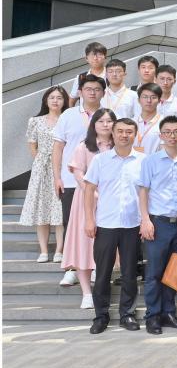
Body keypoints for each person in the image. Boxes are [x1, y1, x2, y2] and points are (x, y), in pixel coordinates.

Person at [83, 117, 145, 334]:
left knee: (129, 273)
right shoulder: (100, 160)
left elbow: (146, 192)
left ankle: (127, 314)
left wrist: (146, 220)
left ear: (135, 134)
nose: (124, 135)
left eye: (129, 131)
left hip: (132, 224)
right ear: (113, 133)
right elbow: (89, 190)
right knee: (103, 273)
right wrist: (89, 219)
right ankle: (101, 316)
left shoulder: (143, 161)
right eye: (120, 131)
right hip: (105, 224)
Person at [137, 116, 177, 335]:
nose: (172, 136)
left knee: (173, 271)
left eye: (176, 131)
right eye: (167, 132)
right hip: (158, 223)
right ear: (161, 135)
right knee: (154, 272)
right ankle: (152, 315)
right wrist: (145, 220)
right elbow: (143, 191)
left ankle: (169, 312)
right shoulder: (150, 161)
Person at [59, 109, 115, 300]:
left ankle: (101, 286)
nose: (105, 124)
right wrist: (93, 192)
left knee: (106, 246)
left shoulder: (118, 146)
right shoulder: (84, 146)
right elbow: (78, 173)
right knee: (83, 245)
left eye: (109, 121)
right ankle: (86, 293)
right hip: (86, 200)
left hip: (112, 202)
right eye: (101, 121)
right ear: (94, 124)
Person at [53, 74, 105, 251]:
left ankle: (97, 262)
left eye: (97, 89)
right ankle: (72, 262)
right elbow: (58, 147)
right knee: (71, 222)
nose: (93, 93)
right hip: (71, 180)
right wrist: (57, 177)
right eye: (88, 89)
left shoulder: (109, 115)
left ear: (103, 93)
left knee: (101, 224)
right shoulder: (68, 114)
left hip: (103, 181)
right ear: (80, 92)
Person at [20, 86, 69, 263]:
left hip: (62, 168)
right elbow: (32, 145)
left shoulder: (68, 119)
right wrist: (41, 162)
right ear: (46, 101)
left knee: (59, 210)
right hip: (41, 169)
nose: (55, 101)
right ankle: (43, 251)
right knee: (41, 209)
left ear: (64, 101)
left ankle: (59, 250)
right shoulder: (35, 121)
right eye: (52, 97)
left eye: (59, 98)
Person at [132, 83, 164, 155]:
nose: (149, 100)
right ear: (138, 100)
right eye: (145, 97)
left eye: (153, 97)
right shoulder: (131, 122)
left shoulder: (164, 124)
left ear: (159, 100)